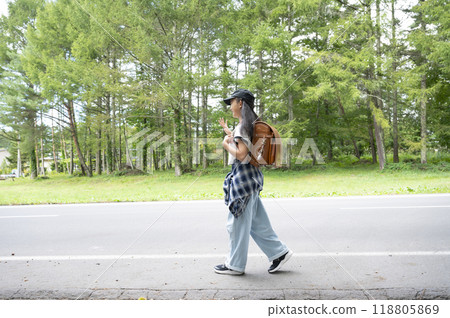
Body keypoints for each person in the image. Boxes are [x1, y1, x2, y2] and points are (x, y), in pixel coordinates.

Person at [215, 88, 293, 275]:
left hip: (243, 178)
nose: (230, 106)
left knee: (237, 224)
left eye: (231, 102)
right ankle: (278, 253)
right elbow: (248, 149)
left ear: (240, 103)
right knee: (258, 223)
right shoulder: (249, 124)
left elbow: (242, 155)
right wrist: (230, 134)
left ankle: (235, 265)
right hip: (253, 177)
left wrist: (226, 145)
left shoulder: (243, 126)